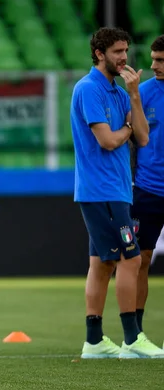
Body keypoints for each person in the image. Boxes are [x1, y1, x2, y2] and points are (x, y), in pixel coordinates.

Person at [71, 27, 164, 359]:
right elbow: (108, 140)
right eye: (117, 52)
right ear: (99, 54)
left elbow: (142, 136)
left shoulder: (119, 92)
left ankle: (94, 342)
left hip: (117, 189)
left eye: (125, 51)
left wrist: (135, 96)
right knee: (132, 259)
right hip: (102, 191)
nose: (125, 57)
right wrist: (125, 127)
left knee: (101, 264)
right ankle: (132, 339)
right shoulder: (88, 90)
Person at [131, 34, 164, 340]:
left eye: (161, 60)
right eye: (153, 59)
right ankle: (137, 334)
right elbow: (130, 139)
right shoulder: (142, 94)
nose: (154, 65)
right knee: (141, 260)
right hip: (148, 189)